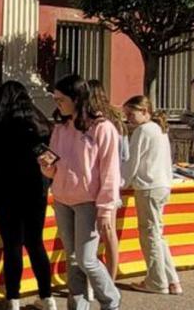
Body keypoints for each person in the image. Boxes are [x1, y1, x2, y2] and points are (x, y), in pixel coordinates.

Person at [40, 74, 121, 310]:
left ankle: (111, 299)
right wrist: (47, 168)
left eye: (60, 99)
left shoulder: (102, 128)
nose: (57, 104)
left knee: (86, 259)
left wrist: (106, 208)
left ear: (77, 98)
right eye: (55, 100)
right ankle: (77, 306)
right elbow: (54, 169)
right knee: (73, 259)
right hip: (63, 199)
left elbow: (110, 172)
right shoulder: (61, 128)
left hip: (88, 201)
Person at [0, 81, 55, 310]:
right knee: (35, 243)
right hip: (35, 189)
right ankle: (47, 297)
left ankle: (13, 299)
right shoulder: (38, 125)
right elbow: (50, 158)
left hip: (5, 189)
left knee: (12, 245)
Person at [121, 95, 183, 296]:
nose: (128, 118)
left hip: (148, 187)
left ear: (144, 111)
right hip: (161, 185)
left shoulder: (143, 131)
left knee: (150, 235)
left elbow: (132, 163)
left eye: (131, 114)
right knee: (157, 234)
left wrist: (122, 183)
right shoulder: (159, 129)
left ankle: (156, 280)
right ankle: (171, 279)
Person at [87, 79, 127, 280]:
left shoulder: (97, 122)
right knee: (108, 233)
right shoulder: (117, 119)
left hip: (101, 182)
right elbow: (125, 154)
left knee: (96, 234)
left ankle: (105, 278)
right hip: (114, 181)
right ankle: (110, 275)